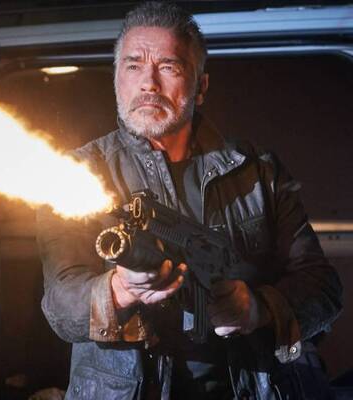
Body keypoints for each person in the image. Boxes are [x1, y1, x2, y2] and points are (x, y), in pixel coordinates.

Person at [36, 2, 343, 399]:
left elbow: (323, 288)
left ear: (201, 87)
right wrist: (121, 289)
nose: (148, 83)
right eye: (133, 66)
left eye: (169, 67)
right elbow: (60, 308)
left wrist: (258, 308)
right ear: (116, 80)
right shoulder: (73, 174)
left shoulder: (257, 171)